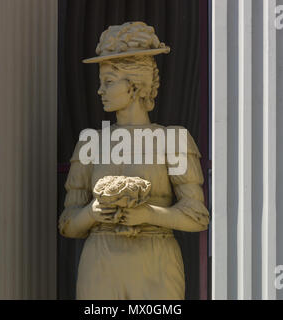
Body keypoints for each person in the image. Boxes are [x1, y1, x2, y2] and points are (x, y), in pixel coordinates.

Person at [58, 22, 209, 300]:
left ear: (135, 86)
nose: (100, 91)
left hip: (155, 262)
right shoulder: (91, 141)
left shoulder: (172, 140)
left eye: (109, 81)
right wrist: (92, 212)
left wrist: (149, 214)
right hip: (101, 264)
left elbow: (197, 217)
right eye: (100, 82)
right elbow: (68, 224)